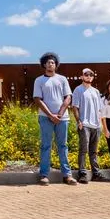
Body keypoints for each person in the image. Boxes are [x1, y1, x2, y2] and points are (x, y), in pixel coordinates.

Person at [32, 52, 77, 186]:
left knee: (63, 145)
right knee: (46, 145)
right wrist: (51, 115)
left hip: (62, 119)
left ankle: (67, 175)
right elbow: (37, 99)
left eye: (53, 62)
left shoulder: (62, 79)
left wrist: (60, 114)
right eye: (48, 62)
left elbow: (68, 97)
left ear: (56, 65)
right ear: (44, 65)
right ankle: (44, 175)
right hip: (45, 118)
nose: (50, 64)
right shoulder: (39, 80)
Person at [71, 67, 107, 183]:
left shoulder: (95, 91)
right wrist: (79, 121)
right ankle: (82, 174)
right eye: (86, 74)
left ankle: (96, 174)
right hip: (84, 125)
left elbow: (100, 109)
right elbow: (75, 107)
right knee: (83, 150)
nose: (89, 76)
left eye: (91, 75)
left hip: (96, 125)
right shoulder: (78, 90)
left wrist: (100, 123)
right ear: (82, 76)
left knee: (94, 151)